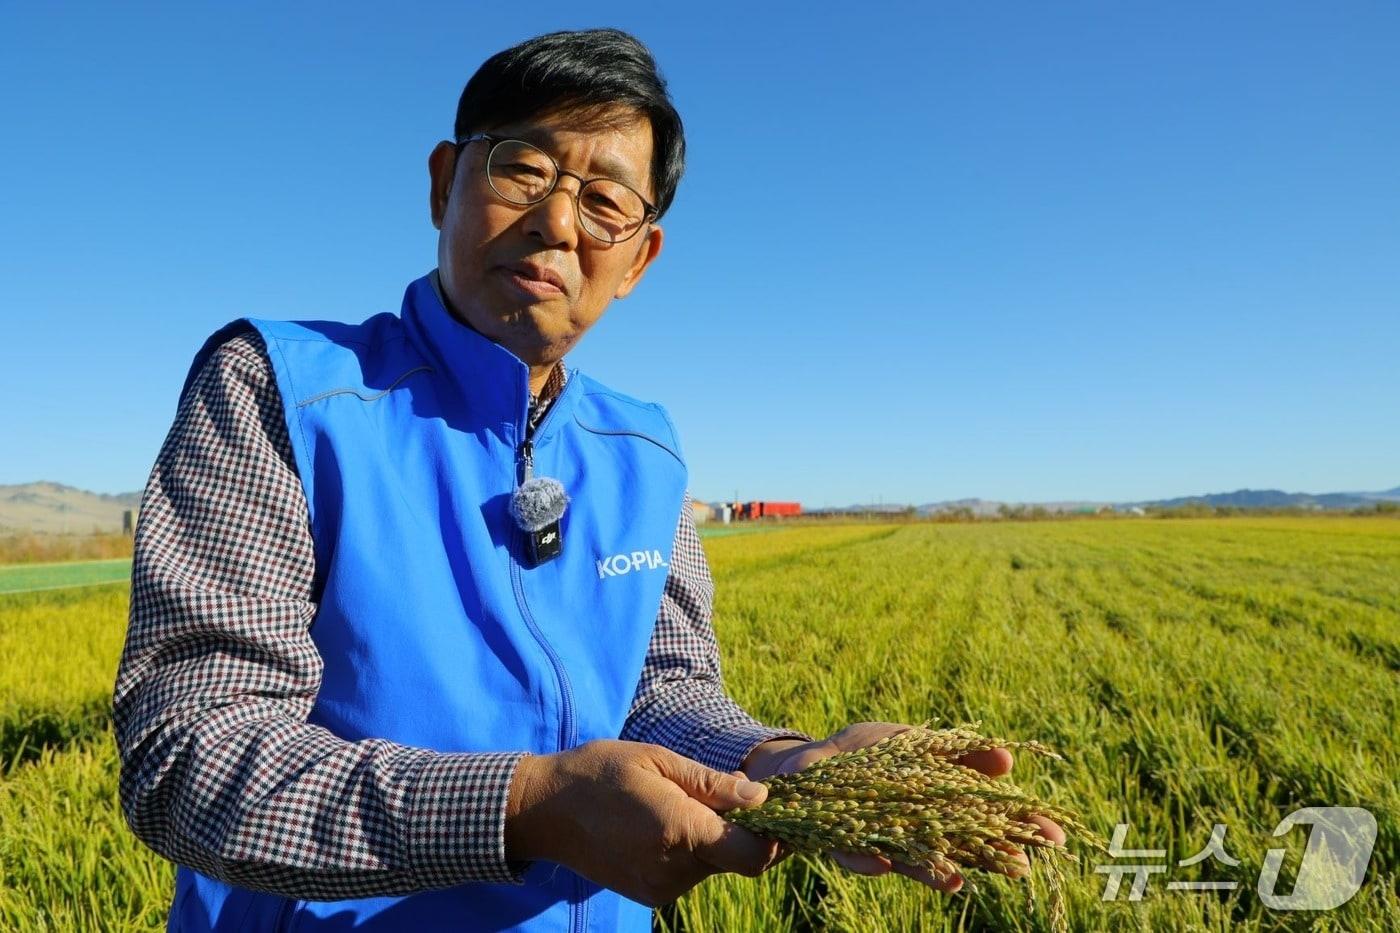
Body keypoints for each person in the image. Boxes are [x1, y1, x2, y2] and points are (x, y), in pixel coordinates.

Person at [113, 28, 1064, 933]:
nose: (558, 221)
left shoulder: (643, 452)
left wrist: (783, 763)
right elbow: (189, 752)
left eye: (606, 200)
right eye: (523, 166)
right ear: (446, 183)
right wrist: (524, 809)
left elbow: (661, 691)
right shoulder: (280, 390)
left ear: (640, 257)